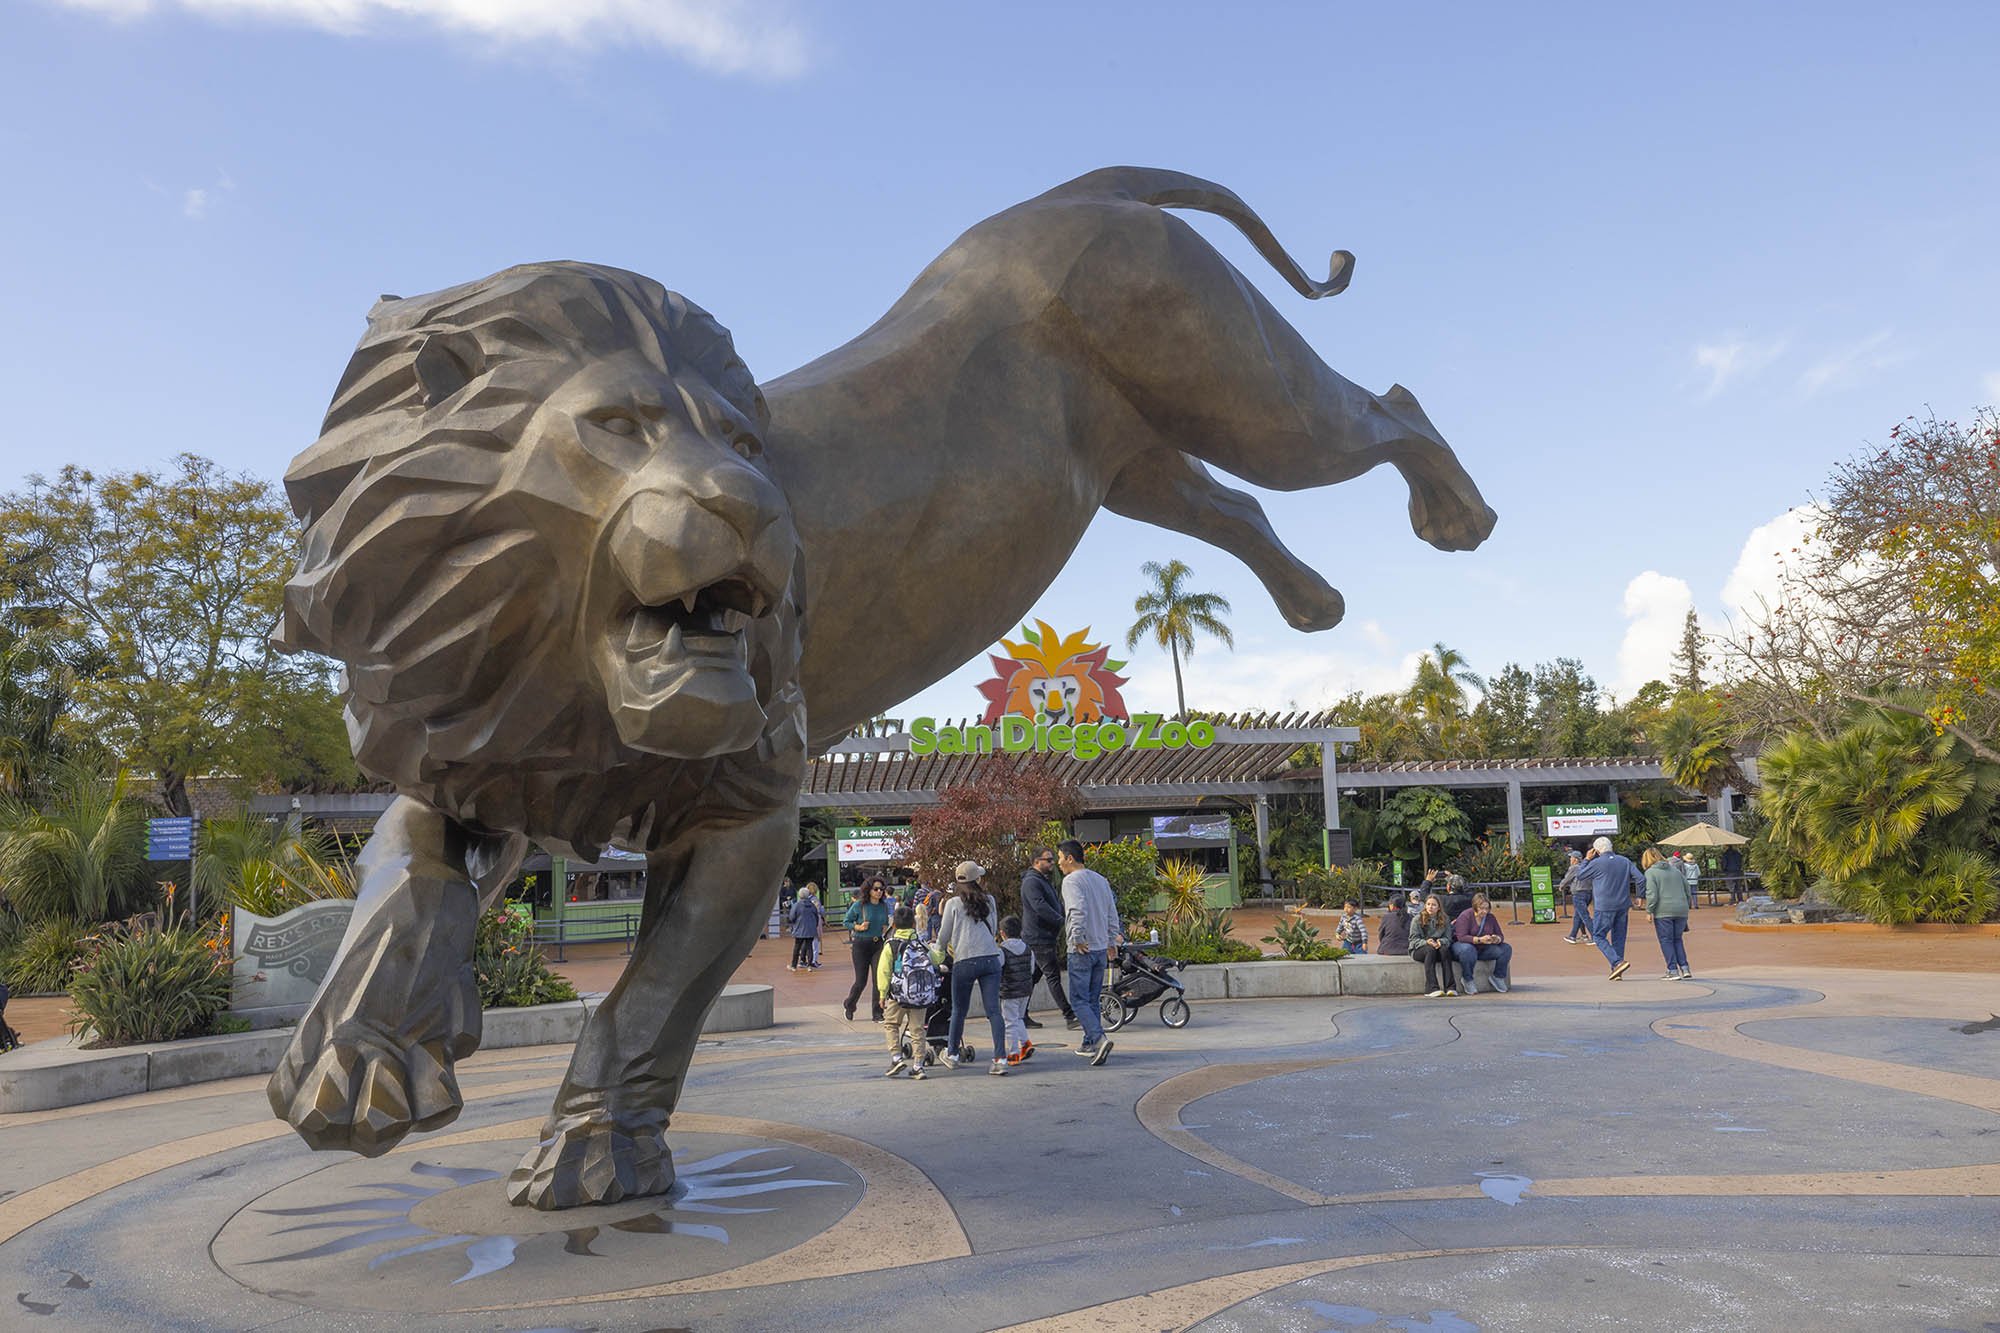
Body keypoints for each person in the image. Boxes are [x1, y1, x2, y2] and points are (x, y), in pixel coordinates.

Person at [935, 861, 1010, 1075]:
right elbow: (993, 927)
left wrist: (938, 951)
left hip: (964, 961)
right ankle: (1000, 1059)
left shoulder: (953, 904)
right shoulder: (991, 901)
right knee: (994, 1011)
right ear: (977, 880)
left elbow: (944, 935)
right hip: (990, 959)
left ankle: (952, 1054)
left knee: (959, 1010)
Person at [1057, 839, 1118, 1065]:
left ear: (1070, 858)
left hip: (1082, 948)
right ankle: (1089, 1042)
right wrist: (1112, 940)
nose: (1059, 863)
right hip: (1101, 946)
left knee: (1078, 1000)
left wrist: (1078, 938)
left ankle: (1099, 1039)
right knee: (1092, 998)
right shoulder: (1101, 880)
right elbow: (1112, 912)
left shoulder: (1071, 880)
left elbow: (1076, 910)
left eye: (1060, 858)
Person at [1018, 847, 1077, 1030]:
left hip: (1044, 936)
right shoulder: (1031, 882)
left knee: (1033, 978)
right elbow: (1040, 907)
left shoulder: (1042, 880)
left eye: (1053, 859)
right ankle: (1069, 1015)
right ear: (1037, 862)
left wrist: (1065, 916)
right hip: (1038, 938)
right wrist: (1062, 921)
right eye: (1048, 860)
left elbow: (1054, 903)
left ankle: (1021, 1016)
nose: (1053, 863)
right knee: (1053, 976)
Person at [877, 906, 933, 1078]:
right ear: (914, 923)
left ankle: (897, 1058)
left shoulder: (891, 945)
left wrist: (882, 993)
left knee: (891, 1024)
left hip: (898, 995)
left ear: (893, 925)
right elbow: (936, 958)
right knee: (917, 1030)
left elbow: (884, 971)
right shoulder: (921, 943)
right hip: (919, 994)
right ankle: (918, 1066)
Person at [1575, 836, 1642, 980]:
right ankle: (1617, 970)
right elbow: (1641, 878)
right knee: (1619, 937)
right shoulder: (1624, 861)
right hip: (1623, 905)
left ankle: (1617, 962)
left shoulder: (1597, 863)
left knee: (1599, 936)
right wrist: (1639, 896)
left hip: (1604, 905)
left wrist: (1587, 859)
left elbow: (1580, 875)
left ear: (1596, 850)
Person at [842, 877, 892, 1022]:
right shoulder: (860, 905)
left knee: (879, 980)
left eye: (881, 889)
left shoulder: (883, 906)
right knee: (861, 981)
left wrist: (884, 927)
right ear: (868, 890)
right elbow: (846, 921)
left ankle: (877, 1013)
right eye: (876, 889)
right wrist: (858, 927)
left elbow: (884, 922)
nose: (879, 892)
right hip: (861, 944)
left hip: (878, 944)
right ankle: (849, 1005)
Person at [1644, 848, 1694, 980]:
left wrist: (1649, 910)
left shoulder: (1650, 873)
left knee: (1666, 940)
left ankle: (1672, 970)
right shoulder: (1675, 870)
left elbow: (1652, 894)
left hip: (1663, 911)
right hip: (1681, 909)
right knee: (1677, 939)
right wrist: (1685, 904)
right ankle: (1684, 967)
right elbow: (1687, 889)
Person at [1451, 891, 1513, 994]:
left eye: (1487, 908)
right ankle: (1467, 979)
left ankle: (1498, 977)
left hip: (1483, 948)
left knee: (1506, 948)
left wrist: (1496, 939)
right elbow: (1461, 937)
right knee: (1468, 950)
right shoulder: (1466, 915)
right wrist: (1480, 940)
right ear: (1475, 907)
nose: (1485, 911)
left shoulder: (1490, 917)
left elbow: (1500, 935)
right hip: (1463, 946)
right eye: (1482, 908)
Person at [996, 914, 1036, 1064]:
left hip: (1009, 991)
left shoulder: (1002, 951)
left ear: (1002, 933)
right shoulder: (1028, 948)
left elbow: (998, 968)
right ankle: (1025, 1044)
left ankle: (1013, 1053)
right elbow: (1031, 970)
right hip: (1025, 989)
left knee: (1010, 1022)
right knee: (1018, 1018)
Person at [1409, 893, 1456, 997]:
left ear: (1439, 907)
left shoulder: (1445, 919)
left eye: (1434, 905)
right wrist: (1426, 942)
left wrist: (1441, 942)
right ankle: (1431, 988)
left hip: (1437, 947)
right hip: (1420, 949)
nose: (1431, 907)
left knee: (1445, 950)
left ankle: (1450, 987)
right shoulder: (1417, 919)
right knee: (1430, 950)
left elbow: (1448, 939)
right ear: (1425, 905)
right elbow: (1413, 940)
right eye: (1428, 904)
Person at [1559, 849, 1591, 944]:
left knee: (1584, 916)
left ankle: (1595, 936)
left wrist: (1561, 886)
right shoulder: (1587, 866)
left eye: (1571, 858)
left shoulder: (1574, 868)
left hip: (1578, 893)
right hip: (1588, 893)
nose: (1570, 860)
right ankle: (1575, 935)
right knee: (1578, 915)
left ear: (1576, 859)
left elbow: (1567, 879)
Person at [788, 883, 823, 970]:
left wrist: (794, 923)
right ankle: (810, 965)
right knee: (809, 946)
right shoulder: (812, 905)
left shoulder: (797, 905)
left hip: (799, 928)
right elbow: (816, 916)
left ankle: (794, 965)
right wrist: (814, 925)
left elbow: (791, 917)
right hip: (810, 928)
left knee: (797, 947)